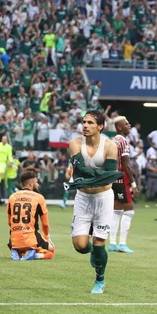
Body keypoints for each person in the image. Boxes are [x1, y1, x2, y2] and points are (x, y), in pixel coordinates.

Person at [66, 110, 123, 294]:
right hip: (82, 198)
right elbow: (79, 170)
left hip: (104, 199)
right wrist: (96, 175)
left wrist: (87, 177)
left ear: (100, 126)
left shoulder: (110, 146)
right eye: (84, 122)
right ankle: (94, 253)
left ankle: (100, 279)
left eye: (90, 123)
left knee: (100, 241)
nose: (85, 126)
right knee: (80, 246)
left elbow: (107, 180)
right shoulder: (74, 143)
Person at [7, 167, 55, 261]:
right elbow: (45, 224)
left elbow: (10, 222)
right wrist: (47, 237)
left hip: (13, 239)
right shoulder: (38, 198)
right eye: (36, 182)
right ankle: (35, 255)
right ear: (31, 184)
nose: (37, 184)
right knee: (52, 252)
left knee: (22, 245)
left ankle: (16, 251)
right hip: (31, 237)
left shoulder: (12, 197)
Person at [109, 116, 139, 253]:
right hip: (122, 179)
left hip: (113, 179)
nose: (130, 125)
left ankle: (112, 243)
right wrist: (133, 184)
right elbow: (126, 164)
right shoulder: (123, 141)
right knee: (129, 211)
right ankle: (122, 243)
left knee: (117, 211)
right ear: (120, 127)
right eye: (126, 124)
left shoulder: (113, 140)